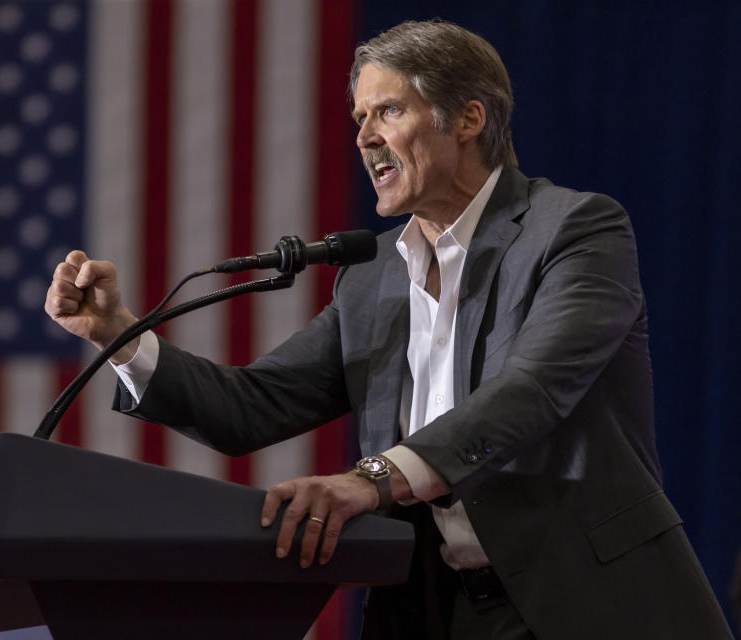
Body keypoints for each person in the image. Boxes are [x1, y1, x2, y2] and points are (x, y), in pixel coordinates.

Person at [45, 20, 733, 640]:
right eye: (359, 117)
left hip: (585, 604)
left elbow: (534, 390)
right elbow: (249, 409)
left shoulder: (576, 229)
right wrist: (119, 334)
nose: (364, 136)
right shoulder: (372, 277)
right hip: (436, 610)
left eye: (389, 110)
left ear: (467, 119)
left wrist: (372, 479)